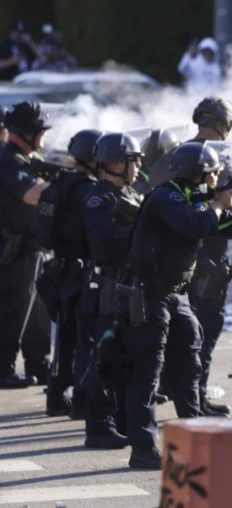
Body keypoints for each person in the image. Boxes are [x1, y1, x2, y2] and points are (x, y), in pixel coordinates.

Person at [123, 141, 232, 469]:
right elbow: (197, 225)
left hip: (176, 294)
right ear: (199, 174)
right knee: (147, 372)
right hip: (149, 292)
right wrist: (220, 203)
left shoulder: (199, 201)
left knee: (189, 365)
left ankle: (193, 437)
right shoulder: (167, 197)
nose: (217, 180)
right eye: (213, 174)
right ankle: (142, 449)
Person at [141, 96, 232, 417]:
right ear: (221, 124)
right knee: (202, 333)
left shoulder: (177, 155)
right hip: (208, 257)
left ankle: (176, 390)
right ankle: (194, 399)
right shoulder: (220, 159)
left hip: (176, 260)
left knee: (179, 334)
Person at [80, 132, 145, 450]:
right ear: (116, 163)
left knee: (125, 355)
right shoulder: (99, 197)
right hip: (106, 285)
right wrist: (142, 231)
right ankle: (99, 427)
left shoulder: (131, 193)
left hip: (128, 284)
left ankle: (119, 419)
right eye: (133, 160)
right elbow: (107, 237)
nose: (138, 166)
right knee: (104, 357)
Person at [41, 129, 102, 417]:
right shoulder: (88, 191)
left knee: (65, 336)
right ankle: (81, 401)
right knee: (85, 339)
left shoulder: (62, 182)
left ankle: (56, 397)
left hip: (62, 268)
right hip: (82, 271)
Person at [0, 102, 53, 388]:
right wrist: (63, 185)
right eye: (40, 130)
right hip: (15, 249)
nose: (44, 135)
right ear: (27, 132)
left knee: (39, 313)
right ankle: (4, 369)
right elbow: (32, 195)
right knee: (13, 310)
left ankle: (39, 365)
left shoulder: (25, 159)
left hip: (35, 247)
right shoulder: (8, 160)